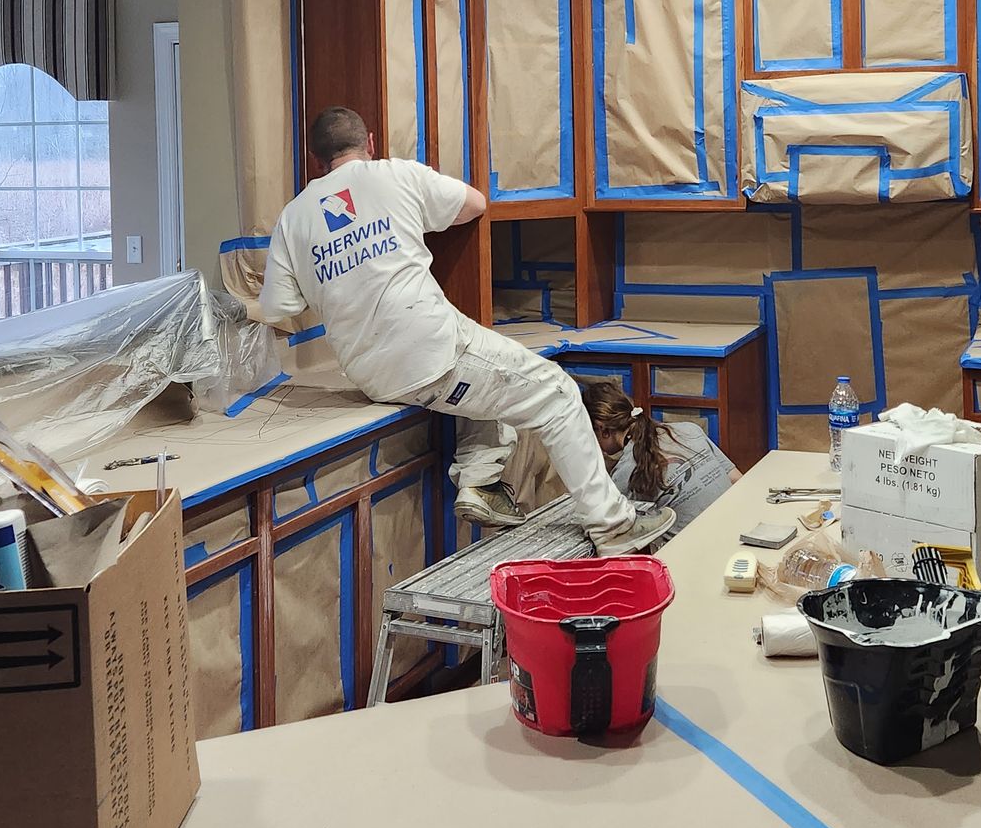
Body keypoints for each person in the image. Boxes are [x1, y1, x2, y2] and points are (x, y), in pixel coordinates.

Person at [257, 106, 675, 555]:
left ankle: (478, 481)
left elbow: (281, 306)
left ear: (314, 159)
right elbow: (475, 203)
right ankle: (612, 525)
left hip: (372, 374)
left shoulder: (294, 217)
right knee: (557, 395)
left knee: (485, 374)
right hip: (431, 350)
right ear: (371, 143)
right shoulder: (394, 174)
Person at [581, 378, 741, 537]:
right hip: (737, 529)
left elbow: (613, 532)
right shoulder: (689, 429)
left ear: (602, 429)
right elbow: (737, 479)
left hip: (692, 553)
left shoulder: (625, 473)